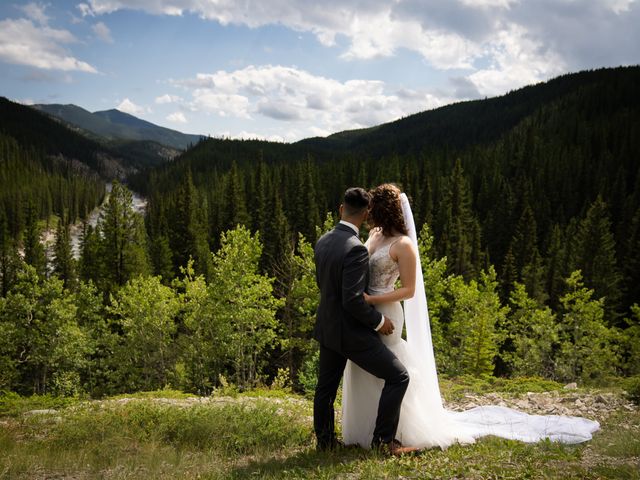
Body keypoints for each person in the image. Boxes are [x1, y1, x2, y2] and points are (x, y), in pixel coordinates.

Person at [342, 183, 600, 449]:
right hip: (365, 310)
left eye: (374, 206)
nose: (369, 211)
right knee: (364, 366)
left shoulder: (403, 244)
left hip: (385, 310)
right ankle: (365, 430)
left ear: (385, 209)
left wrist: (374, 299)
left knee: (390, 368)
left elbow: (409, 290)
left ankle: (397, 431)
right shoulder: (374, 236)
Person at [313, 187, 419, 455]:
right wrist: (378, 321)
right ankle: (383, 442)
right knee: (399, 376)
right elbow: (353, 300)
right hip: (354, 331)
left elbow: (326, 287)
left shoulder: (324, 240)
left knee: (324, 389)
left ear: (341, 209)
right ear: (366, 213)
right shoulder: (356, 249)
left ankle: (325, 444)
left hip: (328, 328)